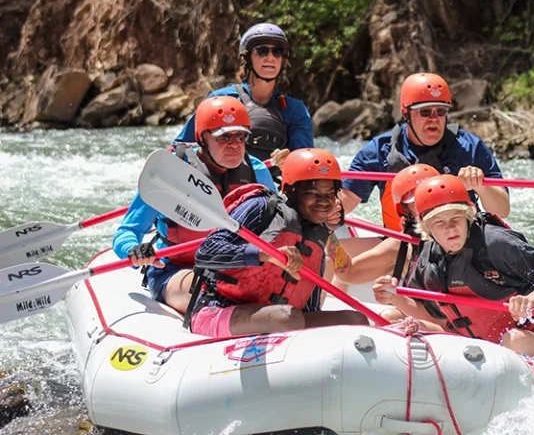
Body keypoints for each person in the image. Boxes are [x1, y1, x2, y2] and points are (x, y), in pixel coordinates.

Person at [373, 174, 534, 358]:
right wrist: (395, 297)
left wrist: (531, 299)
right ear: (427, 228)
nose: (449, 227)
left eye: (456, 218)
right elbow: (432, 315)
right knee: (395, 323)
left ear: (468, 216)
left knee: (514, 340)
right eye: (439, 222)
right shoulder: (429, 258)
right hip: (479, 348)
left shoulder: (495, 243)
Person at [113, 97, 276, 314]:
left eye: (241, 136)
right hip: (177, 270)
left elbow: (279, 226)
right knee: (213, 291)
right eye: (224, 137)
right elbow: (127, 232)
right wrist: (134, 251)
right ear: (202, 138)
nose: (235, 145)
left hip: (236, 269)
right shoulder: (169, 172)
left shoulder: (256, 171)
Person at [189, 148, 369, 337]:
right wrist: (263, 254)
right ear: (291, 191)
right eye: (312, 193)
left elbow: (309, 304)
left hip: (281, 319)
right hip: (220, 311)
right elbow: (205, 252)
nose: (322, 202)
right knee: (288, 317)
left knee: (356, 320)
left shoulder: (318, 235)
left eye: (329, 194)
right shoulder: (262, 207)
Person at [338, 72, 510, 259]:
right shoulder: (379, 151)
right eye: (425, 112)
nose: (434, 119)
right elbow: (341, 206)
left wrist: (480, 186)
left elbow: (502, 211)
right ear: (406, 114)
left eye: (441, 111)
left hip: (459, 248)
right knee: (330, 253)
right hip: (402, 245)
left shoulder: (470, 147)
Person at [174, 23, 314, 173]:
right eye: (262, 51)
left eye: (277, 52)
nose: (270, 58)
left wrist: (292, 160)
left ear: (283, 60)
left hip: (271, 189)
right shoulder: (220, 99)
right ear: (247, 58)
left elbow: (308, 163)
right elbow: (180, 148)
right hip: (221, 185)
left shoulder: (295, 110)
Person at [334, 164, 439, 321]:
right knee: (389, 317)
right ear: (405, 210)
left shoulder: (468, 233)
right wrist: (328, 235)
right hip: (432, 315)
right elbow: (348, 273)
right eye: (416, 200)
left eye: (432, 197)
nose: (425, 203)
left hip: (464, 318)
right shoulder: (401, 246)